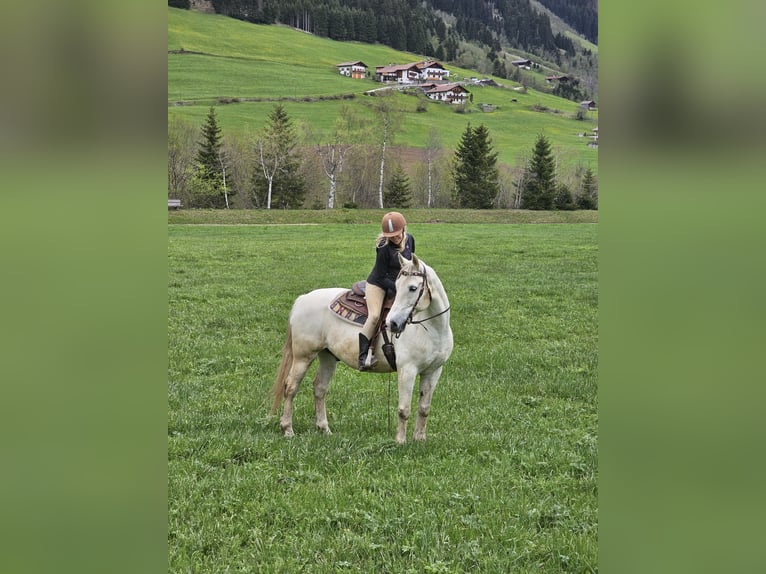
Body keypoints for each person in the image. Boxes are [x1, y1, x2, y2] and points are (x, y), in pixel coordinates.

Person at [358, 211, 415, 370]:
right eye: (391, 235)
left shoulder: (410, 239)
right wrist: (398, 287)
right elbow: (382, 276)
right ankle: (362, 357)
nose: (395, 237)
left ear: (404, 228)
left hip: (399, 282)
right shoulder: (383, 247)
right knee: (375, 316)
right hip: (378, 283)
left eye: (397, 234)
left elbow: (410, 264)